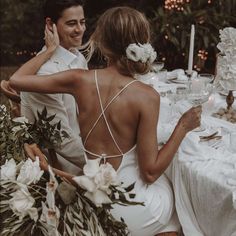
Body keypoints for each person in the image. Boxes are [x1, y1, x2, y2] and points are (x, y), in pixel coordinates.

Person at [10, 6, 202, 236]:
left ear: (101, 42)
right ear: (142, 43)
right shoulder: (148, 96)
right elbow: (150, 172)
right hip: (130, 209)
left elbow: (16, 79)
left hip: (92, 201)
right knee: (178, 197)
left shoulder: (78, 79)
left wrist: (48, 50)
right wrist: (183, 127)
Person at [20, 0, 88, 174]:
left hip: (90, 142)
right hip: (69, 167)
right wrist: (104, 163)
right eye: (72, 23)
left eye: (82, 22)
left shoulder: (76, 56)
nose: (80, 29)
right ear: (51, 25)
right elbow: (61, 141)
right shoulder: (45, 73)